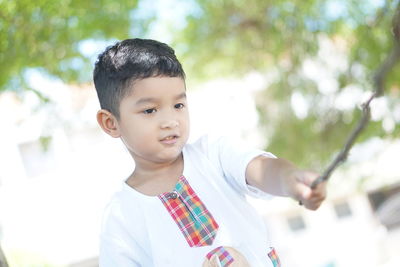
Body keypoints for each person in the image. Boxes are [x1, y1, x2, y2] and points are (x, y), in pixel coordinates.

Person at [93, 38, 327, 267]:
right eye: (150, 110)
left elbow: (261, 169)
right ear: (111, 123)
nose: (170, 121)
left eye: (178, 105)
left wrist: (288, 179)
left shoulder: (213, 154)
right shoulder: (121, 218)